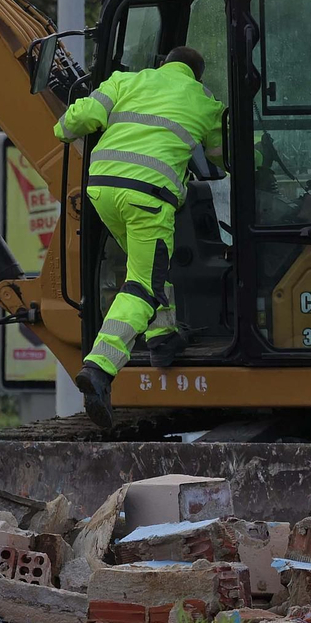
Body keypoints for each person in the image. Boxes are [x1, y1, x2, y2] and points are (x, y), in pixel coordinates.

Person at [54, 45, 225, 428]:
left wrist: (61, 126)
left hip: (102, 191)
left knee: (144, 266)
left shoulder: (125, 80)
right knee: (143, 286)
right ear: (197, 75)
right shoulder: (204, 100)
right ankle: (100, 366)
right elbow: (221, 156)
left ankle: (162, 336)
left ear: (164, 63)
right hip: (148, 198)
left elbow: (80, 119)